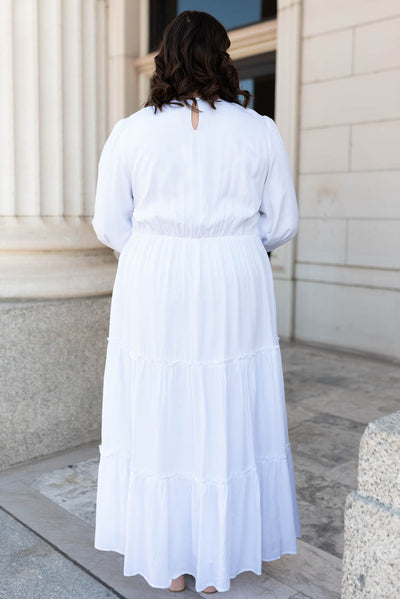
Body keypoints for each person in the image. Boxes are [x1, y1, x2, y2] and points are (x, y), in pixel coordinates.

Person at [92, 9, 302, 595]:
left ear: (166, 57)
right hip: (234, 273)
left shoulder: (131, 130)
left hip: (154, 272)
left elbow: (109, 223)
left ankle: (173, 562)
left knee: (161, 408)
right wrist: (230, 248)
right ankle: (218, 557)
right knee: (228, 403)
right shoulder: (258, 129)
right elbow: (282, 222)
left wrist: (156, 253)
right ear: (223, 57)